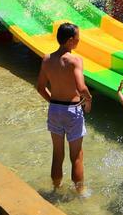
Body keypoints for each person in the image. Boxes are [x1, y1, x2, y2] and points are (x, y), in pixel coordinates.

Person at [36, 23, 92, 193]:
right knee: (76, 156)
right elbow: (81, 88)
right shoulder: (75, 60)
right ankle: (80, 193)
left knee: (57, 154)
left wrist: (53, 101)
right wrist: (89, 100)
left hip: (55, 109)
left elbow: (40, 87)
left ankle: (56, 189)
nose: (79, 40)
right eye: (77, 38)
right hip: (72, 109)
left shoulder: (47, 59)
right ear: (70, 40)